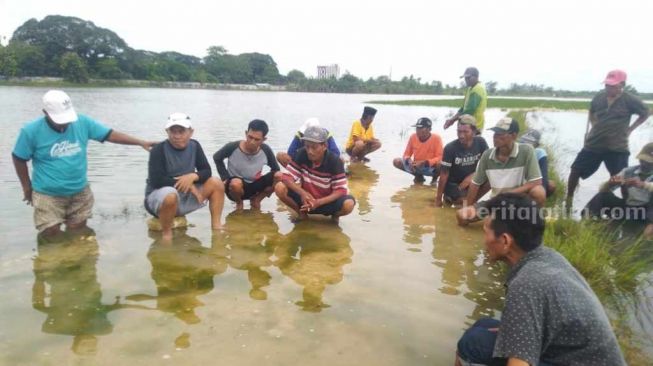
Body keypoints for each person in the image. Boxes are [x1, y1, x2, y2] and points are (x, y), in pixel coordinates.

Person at [455, 193, 626, 366]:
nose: (484, 241)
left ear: (505, 241)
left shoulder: (527, 283)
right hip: (579, 355)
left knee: (473, 343)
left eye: (486, 232)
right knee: (484, 325)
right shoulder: (548, 257)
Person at [12, 90, 154, 236]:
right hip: (48, 194)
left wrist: (139, 142)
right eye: (59, 119)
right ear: (45, 112)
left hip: (80, 190)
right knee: (50, 233)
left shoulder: (82, 122)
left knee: (78, 231)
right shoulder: (30, 131)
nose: (65, 123)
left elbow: (110, 134)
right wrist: (26, 187)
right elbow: (18, 158)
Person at [567, 69, 650, 205]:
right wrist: (595, 126)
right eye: (607, 85)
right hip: (594, 144)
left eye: (612, 85)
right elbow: (592, 112)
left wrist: (630, 129)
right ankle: (569, 200)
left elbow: (645, 113)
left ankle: (627, 204)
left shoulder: (630, 100)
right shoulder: (598, 97)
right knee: (575, 170)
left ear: (622, 84)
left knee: (622, 178)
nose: (608, 88)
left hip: (617, 146)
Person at [144, 113, 225, 240]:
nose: (176, 136)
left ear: (191, 132)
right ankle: (167, 235)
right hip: (159, 200)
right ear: (167, 131)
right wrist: (188, 184)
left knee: (216, 183)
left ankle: (216, 225)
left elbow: (206, 171)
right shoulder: (158, 150)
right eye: (173, 131)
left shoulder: (195, 146)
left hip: (184, 198)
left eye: (181, 131)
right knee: (170, 194)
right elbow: (157, 180)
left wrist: (192, 176)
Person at [456, 118, 545, 225]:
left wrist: (508, 194)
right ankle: (499, 217)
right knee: (462, 215)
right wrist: (468, 207)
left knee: (539, 192)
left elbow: (536, 182)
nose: (495, 137)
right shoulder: (487, 155)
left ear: (514, 136)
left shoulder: (526, 151)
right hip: (495, 201)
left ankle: (533, 223)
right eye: (495, 133)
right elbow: (475, 185)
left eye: (501, 133)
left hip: (519, 199)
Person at [275, 126, 356, 220]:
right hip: (305, 200)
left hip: (326, 202)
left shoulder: (335, 161)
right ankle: (301, 213)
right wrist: (303, 193)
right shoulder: (302, 153)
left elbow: (341, 190)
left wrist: (318, 202)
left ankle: (335, 216)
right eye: (307, 146)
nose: (310, 151)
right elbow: (286, 177)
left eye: (314, 147)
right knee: (279, 187)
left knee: (348, 204)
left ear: (324, 146)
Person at [583, 143, 653, 238]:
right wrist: (610, 183)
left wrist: (643, 184)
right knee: (603, 195)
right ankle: (587, 222)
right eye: (643, 160)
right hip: (628, 207)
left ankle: (646, 233)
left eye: (648, 162)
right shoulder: (629, 171)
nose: (644, 163)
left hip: (647, 211)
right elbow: (602, 188)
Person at [213, 119, 282, 210]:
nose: (252, 142)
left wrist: (270, 189)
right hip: (234, 186)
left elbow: (276, 169)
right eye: (250, 137)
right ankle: (239, 203)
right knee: (236, 183)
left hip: (254, 184)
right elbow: (217, 157)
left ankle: (257, 200)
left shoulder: (265, 150)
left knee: (278, 175)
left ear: (263, 139)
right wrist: (225, 178)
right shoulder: (232, 147)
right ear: (246, 133)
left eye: (257, 139)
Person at [436, 115, 489, 207]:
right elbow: (444, 174)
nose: (461, 135)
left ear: (474, 132)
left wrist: (473, 175)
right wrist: (438, 198)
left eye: (465, 132)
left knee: (491, 178)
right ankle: (459, 200)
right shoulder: (450, 148)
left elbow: (489, 164)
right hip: (454, 185)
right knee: (459, 202)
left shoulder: (481, 142)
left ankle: (470, 202)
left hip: (470, 182)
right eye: (459, 131)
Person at [392, 117, 443, 184]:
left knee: (441, 164)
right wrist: (408, 161)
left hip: (430, 167)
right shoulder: (413, 137)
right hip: (416, 166)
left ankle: (434, 179)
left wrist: (425, 162)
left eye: (421, 128)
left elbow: (440, 157)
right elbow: (406, 154)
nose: (418, 130)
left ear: (429, 129)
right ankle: (418, 176)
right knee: (396, 161)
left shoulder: (437, 138)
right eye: (417, 128)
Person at [276, 117, 341, 167]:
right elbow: (291, 153)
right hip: (304, 161)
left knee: (340, 160)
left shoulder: (326, 134)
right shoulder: (300, 134)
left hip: (322, 162)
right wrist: (305, 157)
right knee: (280, 155)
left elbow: (336, 153)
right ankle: (296, 174)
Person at [444, 67, 488, 131]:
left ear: (476, 77)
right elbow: (464, 108)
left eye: (468, 78)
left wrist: (453, 120)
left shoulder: (477, 89)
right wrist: (452, 119)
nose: (466, 80)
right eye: (465, 78)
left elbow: (469, 110)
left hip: (474, 126)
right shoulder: (470, 88)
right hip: (467, 125)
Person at [518, 128, 556, 197]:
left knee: (551, 185)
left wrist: (540, 193)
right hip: (516, 183)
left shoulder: (540, 153)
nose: (526, 146)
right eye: (523, 142)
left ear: (536, 146)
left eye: (529, 144)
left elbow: (543, 179)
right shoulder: (514, 151)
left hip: (530, 182)